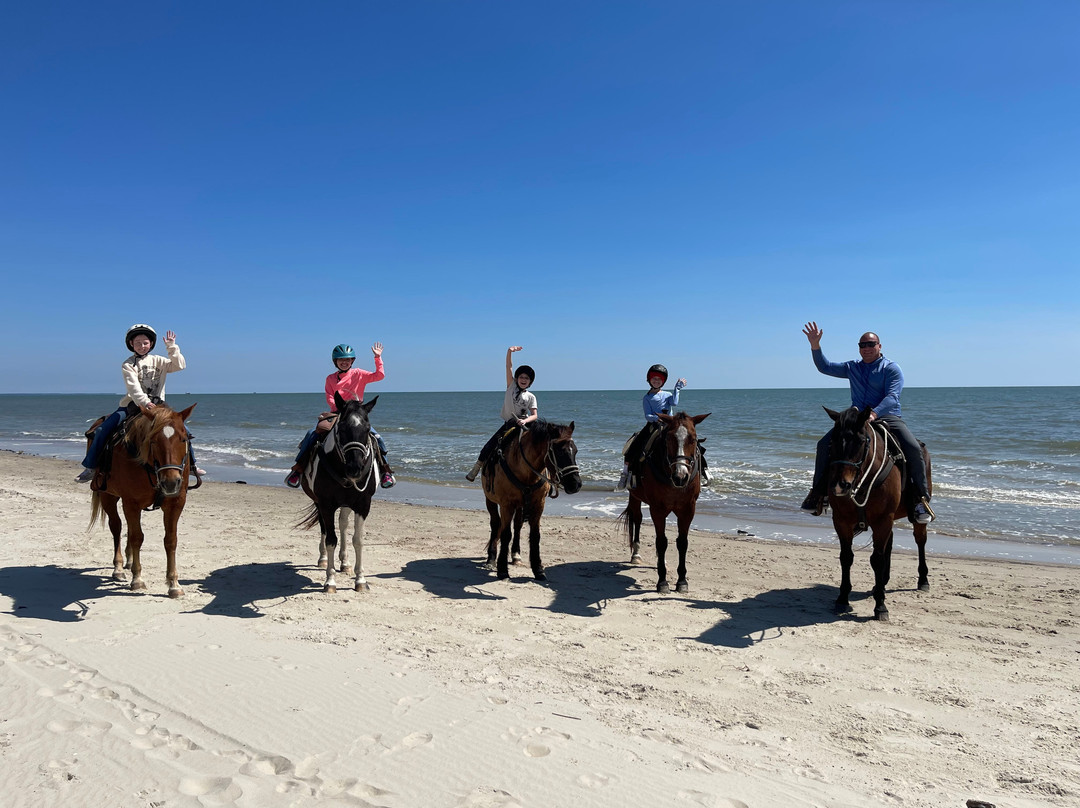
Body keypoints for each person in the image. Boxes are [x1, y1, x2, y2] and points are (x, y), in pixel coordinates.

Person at [800, 321, 932, 523]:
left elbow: (892, 397)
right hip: (856, 418)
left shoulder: (891, 369)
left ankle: (920, 500)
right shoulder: (852, 367)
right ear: (859, 348)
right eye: (863, 345)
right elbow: (824, 367)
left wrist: (874, 414)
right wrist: (815, 345)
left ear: (880, 346)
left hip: (888, 416)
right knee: (824, 444)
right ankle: (818, 493)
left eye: (871, 344)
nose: (867, 348)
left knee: (913, 448)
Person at [76, 324, 203, 483]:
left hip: (158, 408)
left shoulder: (159, 361)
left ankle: (191, 466)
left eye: (145, 343)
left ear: (151, 344)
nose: (142, 346)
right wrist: (145, 402)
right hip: (132, 406)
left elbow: (180, 365)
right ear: (131, 344)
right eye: (138, 343)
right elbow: (133, 387)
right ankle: (91, 466)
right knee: (102, 429)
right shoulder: (128, 364)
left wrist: (172, 347)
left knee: (184, 431)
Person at [285, 342, 395, 489]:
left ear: (352, 361)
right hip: (337, 412)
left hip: (356, 414)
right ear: (335, 362)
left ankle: (385, 472)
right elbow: (330, 397)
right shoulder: (330, 379)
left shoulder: (359, 374)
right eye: (341, 360)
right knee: (312, 433)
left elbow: (379, 375)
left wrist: (377, 357)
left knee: (377, 438)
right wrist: (341, 408)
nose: (344, 362)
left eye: (347, 360)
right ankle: (297, 470)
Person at [615, 364, 708, 491]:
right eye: (654, 379)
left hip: (669, 424)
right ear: (649, 380)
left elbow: (674, 402)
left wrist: (677, 389)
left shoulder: (667, 394)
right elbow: (647, 415)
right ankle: (625, 474)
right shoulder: (647, 397)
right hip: (654, 424)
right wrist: (655, 418)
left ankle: (704, 470)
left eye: (659, 379)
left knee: (690, 442)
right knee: (635, 445)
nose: (656, 381)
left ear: (663, 382)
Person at [465, 346, 538, 482]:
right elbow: (508, 367)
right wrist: (509, 352)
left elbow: (534, 415)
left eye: (526, 378)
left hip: (524, 424)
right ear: (516, 378)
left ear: (530, 382)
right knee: (488, 447)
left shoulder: (531, 396)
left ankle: (550, 480)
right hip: (509, 425)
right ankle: (476, 469)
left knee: (542, 446)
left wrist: (525, 421)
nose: (523, 379)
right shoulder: (511, 387)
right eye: (521, 377)